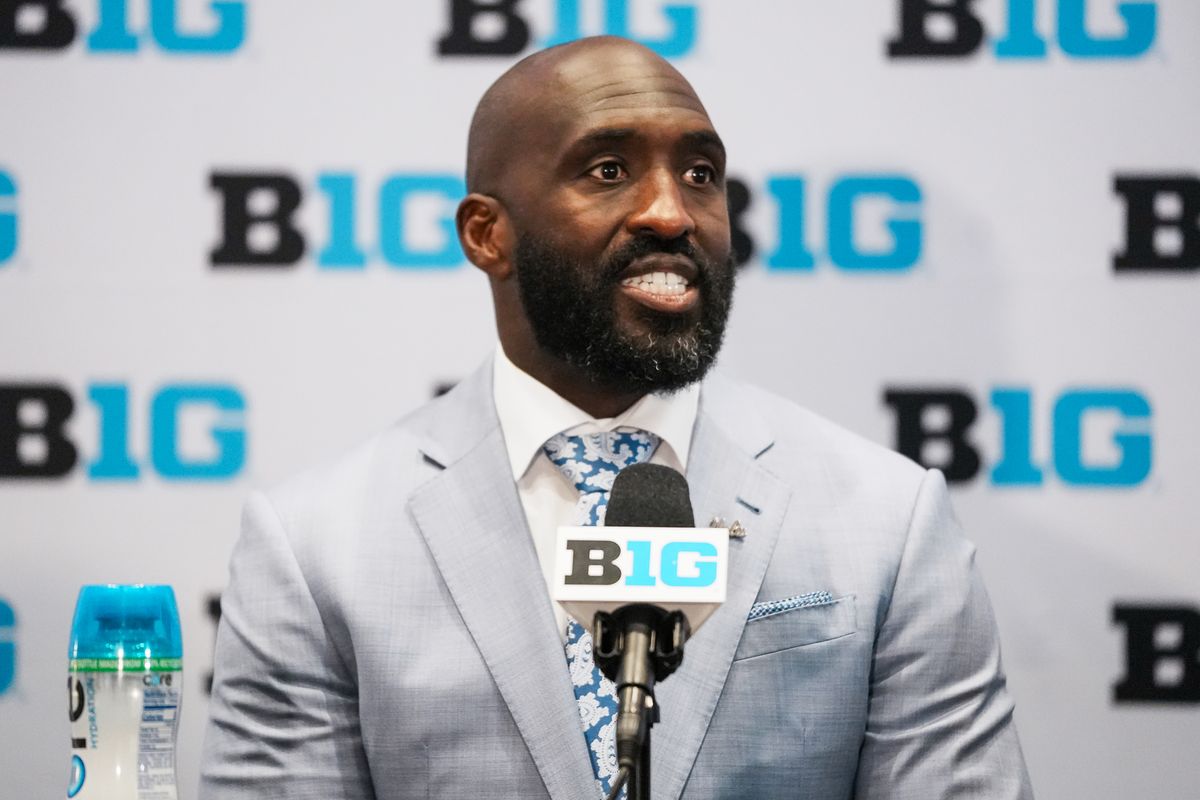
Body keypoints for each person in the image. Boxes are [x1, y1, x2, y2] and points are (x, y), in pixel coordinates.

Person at [200, 36, 1033, 799]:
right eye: (607, 171)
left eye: (701, 174)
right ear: (487, 234)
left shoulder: (886, 521)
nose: (671, 213)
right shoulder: (318, 549)